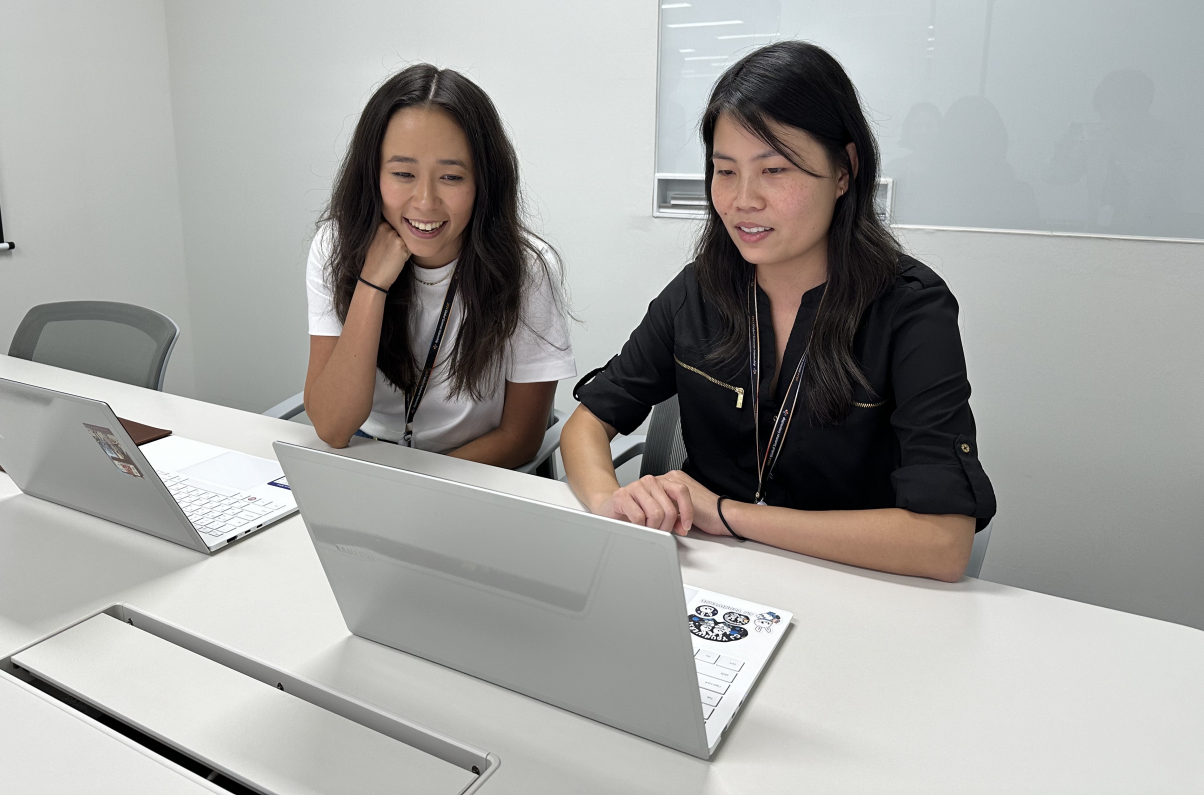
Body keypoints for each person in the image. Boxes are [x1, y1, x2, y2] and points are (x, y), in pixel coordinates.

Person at [561, 41, 995, 582]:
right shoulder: (700, 290)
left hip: (855, 589)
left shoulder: (910, 311)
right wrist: (610, 505)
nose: (743, 200)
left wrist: (725, 514)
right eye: (725, 170)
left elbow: (943, 542)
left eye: (774, 171)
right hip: (710, 583)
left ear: (844, 171)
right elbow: (586, 423)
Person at [304, 64, 575, 467]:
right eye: (402, 173)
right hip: (366, 460)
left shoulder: (527, 269)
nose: (425, 201)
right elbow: (332, 427)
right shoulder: (335, 246)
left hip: (473, 472)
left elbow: (520, 438)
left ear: (484, 181)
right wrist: (371, 284)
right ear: (372, 174)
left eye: (450, 177)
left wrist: (414, 486)